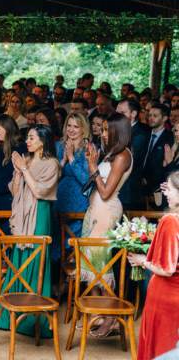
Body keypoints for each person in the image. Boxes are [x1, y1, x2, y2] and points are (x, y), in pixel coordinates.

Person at [0, 124, 59, 338]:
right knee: (20, 257)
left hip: (39, 215)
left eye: (32, 138)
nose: (28, 141)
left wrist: (25, 170)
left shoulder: (52, 164)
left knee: (36, 258)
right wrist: (18, 172)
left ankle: (33, 316)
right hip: (21, 212)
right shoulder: (25, 159)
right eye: (27, 137)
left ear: (43, 141)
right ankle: (11, 308)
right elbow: (16, 190)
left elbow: (39, 191)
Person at [82, 112, 132, 337]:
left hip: (107, 209)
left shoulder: (122, 156)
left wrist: (93, 166)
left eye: (105, 130)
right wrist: (92, 163)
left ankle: (112, 319)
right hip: (96, 210)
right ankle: (104, 313)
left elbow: (105, 191)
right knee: (95, 265)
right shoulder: (111, 154)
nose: (102, 133)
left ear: (117, 131)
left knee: (101, 266)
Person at [129, 172, 179, 360]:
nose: (165, 194)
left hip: (165, 298)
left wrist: (143, 261)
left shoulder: (171, 220)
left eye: (170, 189)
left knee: (160, 348)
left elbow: (167, 268)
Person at [53, 113, 91, 260]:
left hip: (78, 201)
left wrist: (71, 158)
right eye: (69, 125)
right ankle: (56, 271)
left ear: (83, 129)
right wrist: (62, 161)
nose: (71, 129)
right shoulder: (59, 146)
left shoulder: (88, 148)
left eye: (76, 126)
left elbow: (86, 179)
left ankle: (70, 268)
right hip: (59, 197)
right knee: (55, 233)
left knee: (70, 239)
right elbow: (52, 176)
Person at [117, 99, 149, 210]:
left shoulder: (140, 134)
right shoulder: (117, 130)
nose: (118, 116)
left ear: (133, 114)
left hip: (129, 191)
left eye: (122, 113)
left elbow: (131, 161)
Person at [143, 103, 173, 209]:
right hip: (141, 187)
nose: (151, 118)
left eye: (155, 116)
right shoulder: (144, 135)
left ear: (164, 118)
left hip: (158, 188)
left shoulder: (170, 138)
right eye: (150, 115)